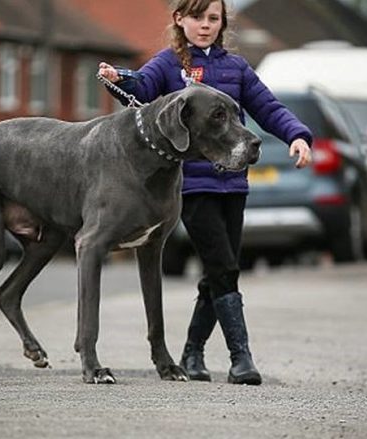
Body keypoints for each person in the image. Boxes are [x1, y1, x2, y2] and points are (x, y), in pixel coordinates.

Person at [98, 0, 313, 385]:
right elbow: (143, 89)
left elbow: (268, 107)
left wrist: (296, 135)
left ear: (222, 23)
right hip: (193, 185)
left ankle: (192, 353)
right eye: (197, 17)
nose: (205, 25)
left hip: (234, 185)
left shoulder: (237, 68)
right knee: (224, 267)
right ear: (180, 20)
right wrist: (121, 78)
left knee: (220, 270)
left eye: (213, 18)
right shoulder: (168, 65)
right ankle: (240, 359)